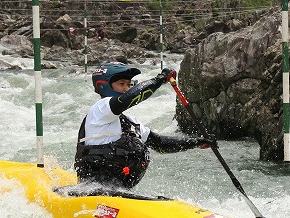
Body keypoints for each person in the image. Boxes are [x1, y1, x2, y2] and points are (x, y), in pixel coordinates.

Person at [74, 61, 216, 189]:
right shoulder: (100, 109)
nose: (126, 88)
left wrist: (196, 142)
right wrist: (159, 79)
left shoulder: (130, 123)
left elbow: (160, 144)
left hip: (119, 191)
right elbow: (128, 99)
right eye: (121, 84)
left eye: (129, 84)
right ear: (104, 85)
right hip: (93, 188)